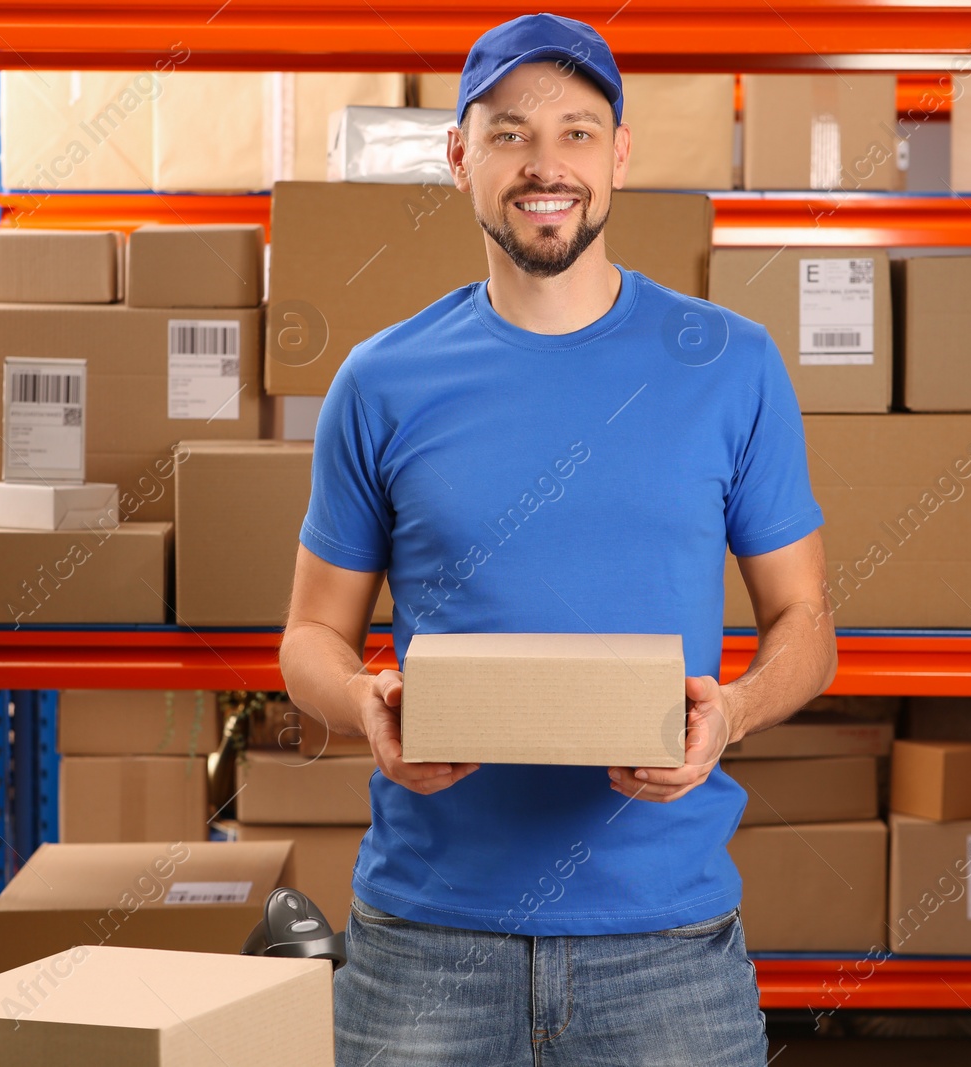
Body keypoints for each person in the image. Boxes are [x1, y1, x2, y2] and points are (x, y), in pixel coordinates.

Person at [280, 12, 836, 1064]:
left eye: (578, 132)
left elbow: (806, 622)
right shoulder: (380, 379)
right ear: (458, 155)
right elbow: (310, 633)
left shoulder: (730, 364)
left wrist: (735, 711)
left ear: (620, 154)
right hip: (427, 946)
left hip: (664, 945)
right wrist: (364, 702)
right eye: (509, 133)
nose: (547, 164)